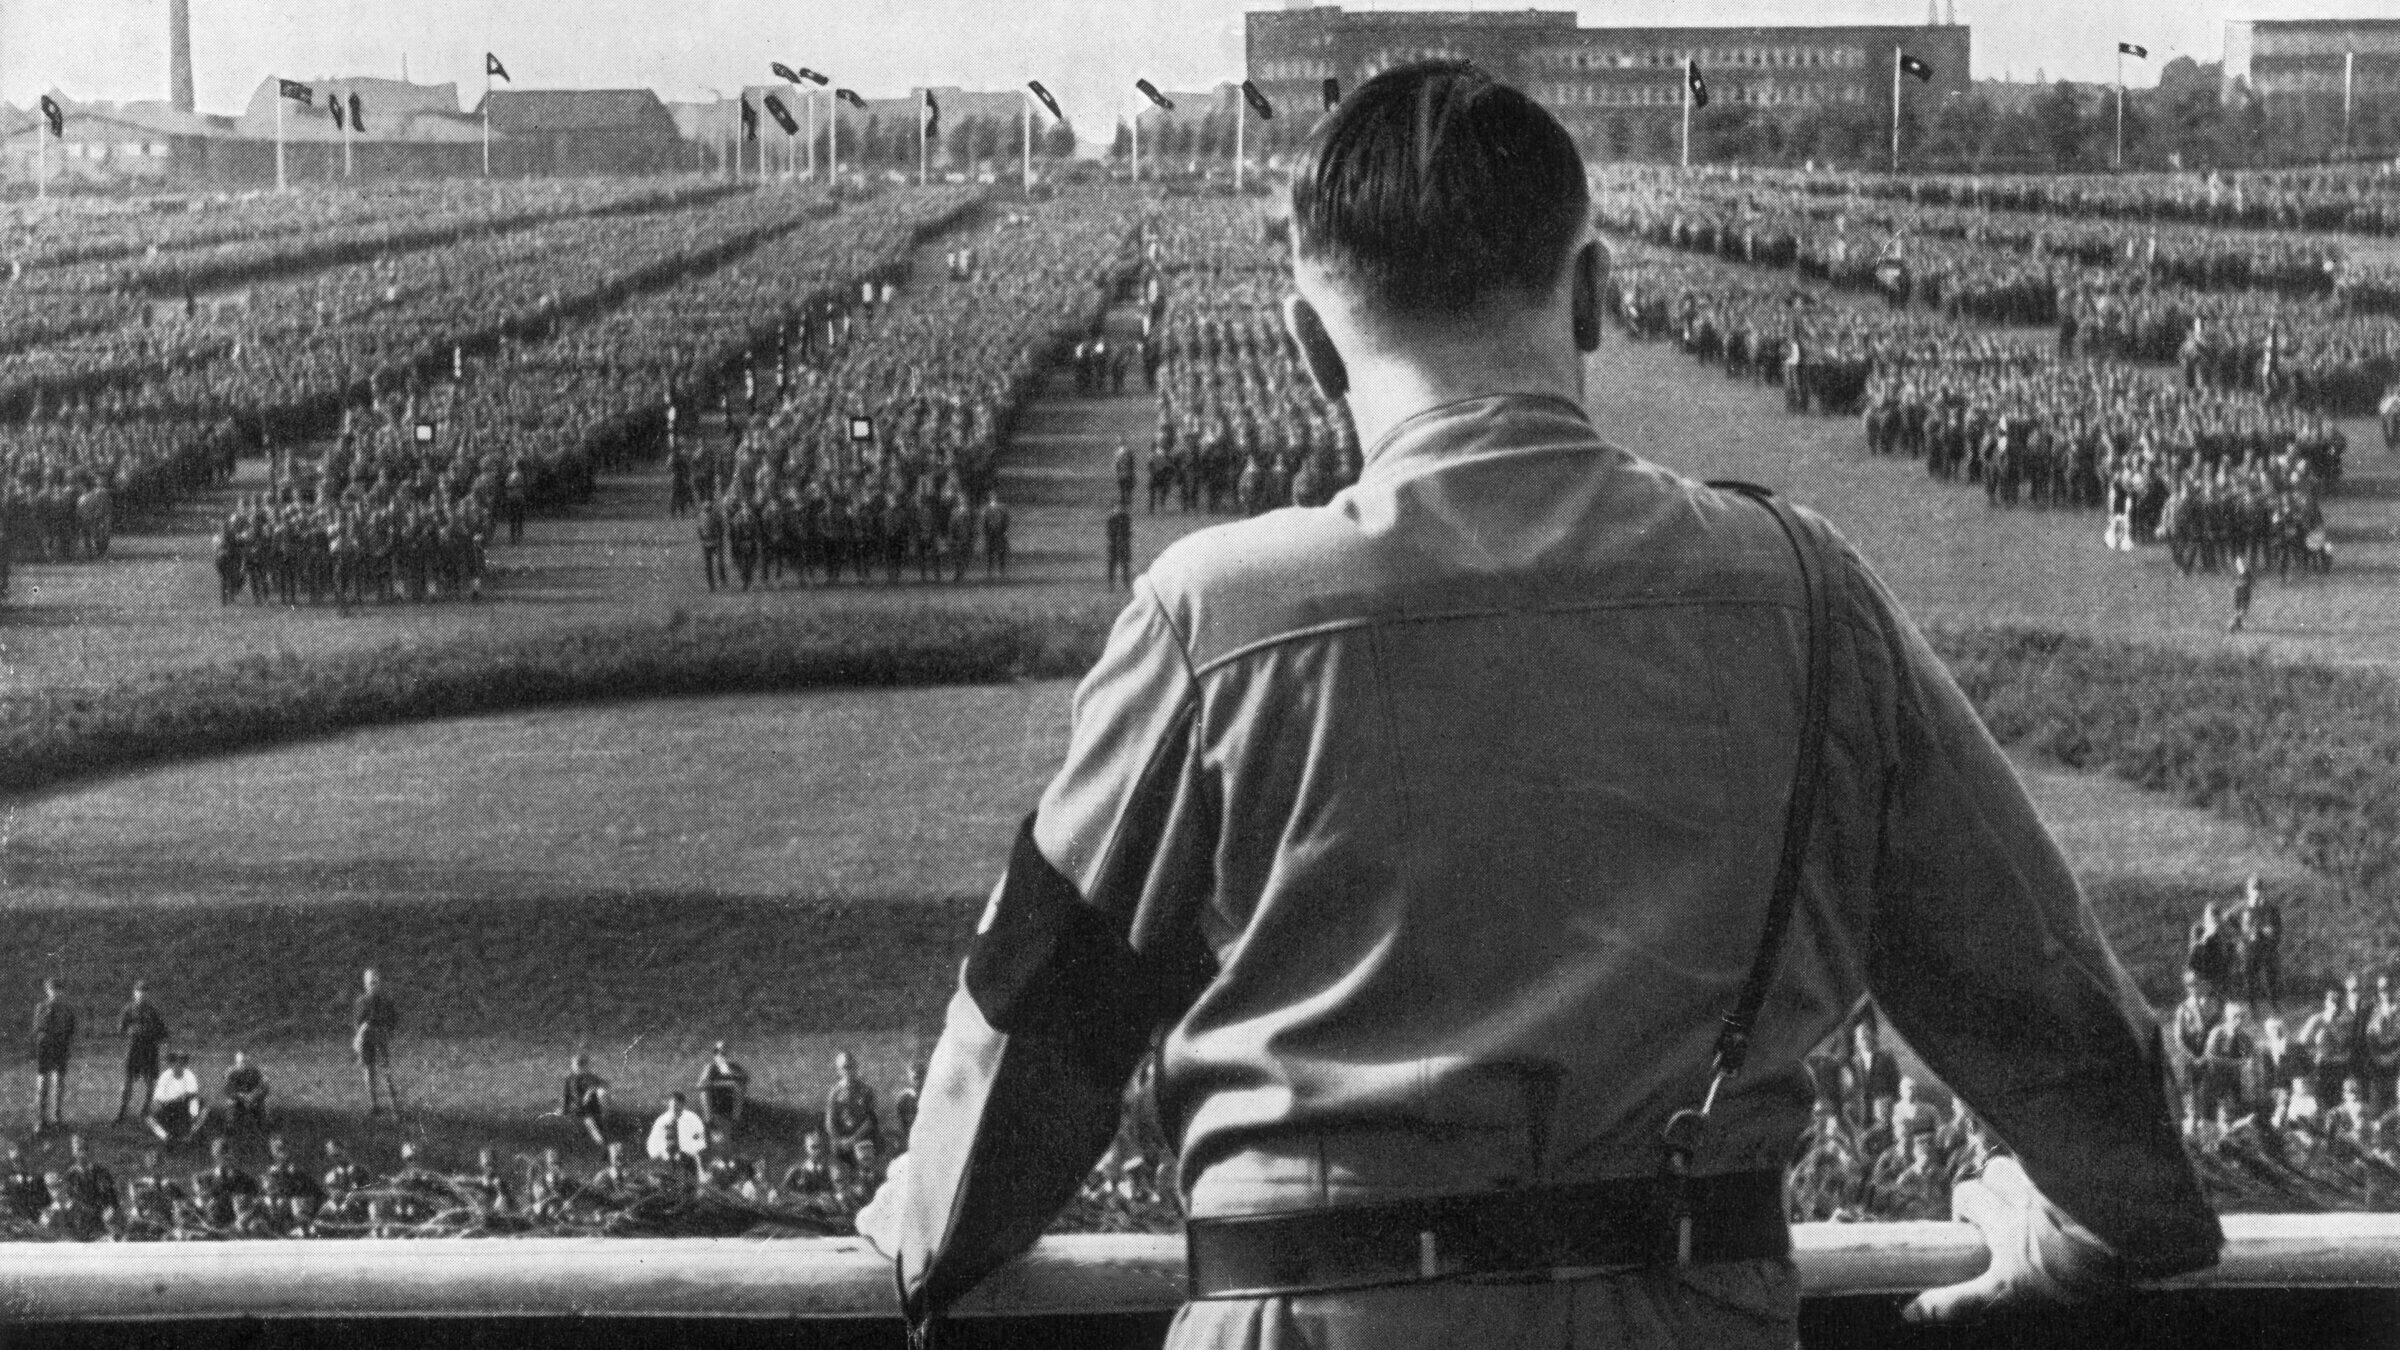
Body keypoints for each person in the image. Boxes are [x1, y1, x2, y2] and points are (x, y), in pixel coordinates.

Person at [857, 63, 2219, 1350]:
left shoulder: (1214, 615)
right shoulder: (1807, 591)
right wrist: (2108, 1216)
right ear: (1592, 294)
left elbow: (1038, 1018)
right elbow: (2043, 991)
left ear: (1310, 348)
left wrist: (930, 1227)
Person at [115, 982, 169, 1124]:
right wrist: (133, 1031)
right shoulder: (129, 1009)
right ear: (134, 993)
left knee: (150, 1081)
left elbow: (163, 1032)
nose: (142, 994)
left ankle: (145, 1109)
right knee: (128, 1080)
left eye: (145, 991)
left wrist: (155, 1034)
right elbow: (121, 1028)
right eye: (139, 991)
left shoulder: (152, 1011)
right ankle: (123, 1109)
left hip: (149, 1049)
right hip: (133, 1048)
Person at [353, 968, 400, 1116]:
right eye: (370, 983)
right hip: (367, 1040)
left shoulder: (386, 1001)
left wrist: (386, 1031)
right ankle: (374, 1105)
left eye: (375, 982)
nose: (373, 985)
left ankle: (394, 1105)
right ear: (365, 984)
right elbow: (358, 1022)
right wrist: (360, 1036)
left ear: (379, 983)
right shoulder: (362, 1002)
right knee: (369, 1071)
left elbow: (392, 1020)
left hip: (380, 1038)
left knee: (386, 1071)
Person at [31, 977, 76, 1132]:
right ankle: (41, 1119)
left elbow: (71, 1028)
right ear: (47, 991)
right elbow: (37, 1028)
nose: (55, 993)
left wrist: (66, 1045)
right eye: (52, 990)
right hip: (45, 1047)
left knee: (59, 1082)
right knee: (43, 1083)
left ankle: (57, 1117)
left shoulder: (67, 1009)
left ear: (62, 991)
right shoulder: (42, 1007)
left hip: (60, 1047)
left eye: (58, 989)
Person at [825, 1051, 881, 1164]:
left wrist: (853, 1140)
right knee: (836, 1157)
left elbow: (871, 1120)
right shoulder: (835, 1093)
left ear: (856, 1067)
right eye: (845, 1067)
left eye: (851, 1066)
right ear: (839, 1070)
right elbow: (830, 1122)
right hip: (842, 1140)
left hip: (862, 1137)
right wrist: (839, 1140)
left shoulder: (865, 1090)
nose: (849, 1070)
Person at [2237, 876, 2284, 1008]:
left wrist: (2272, 936)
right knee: (2250, 981)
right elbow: (2229, 920)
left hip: (2267, 949)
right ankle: (2252, 1009)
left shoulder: (2271, 908)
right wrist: (2241, 937)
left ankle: (2274, 1007)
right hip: (2249, 949)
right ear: (2248, 890)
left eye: (2259, 889)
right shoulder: (2243, 907)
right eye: (2253, 889)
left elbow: (2278, 929)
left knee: (2271, 980)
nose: (2256, 892)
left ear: (2263, 891)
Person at [147, 1051, 207, 1143]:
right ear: (171, 1063)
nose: (178, 1065)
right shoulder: (165, 1076)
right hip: (168, 1107)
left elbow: (193, 1097)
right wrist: (161, 1105)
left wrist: (193, 1115)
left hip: (184, 1108)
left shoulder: (189, 1076)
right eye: (175, 1061)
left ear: (184, 1064)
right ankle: (166, 1138)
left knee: (205, 1109)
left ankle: (189, 1135)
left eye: (181, 1062)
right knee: (149, 1118)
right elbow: (158, 1098)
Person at [696, 1042, 751, 1129]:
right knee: (704, 1092)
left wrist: (735, 1074)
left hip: (731, 1099)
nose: (722, 1055)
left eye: (725, 1052)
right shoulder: (711, 1067)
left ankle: (735, 1122)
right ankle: (709, 1122)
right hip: (715, 1099)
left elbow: (746, 1079)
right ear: (715, 1054)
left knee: (739, 1088)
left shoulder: (734, 1066)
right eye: (719, 1052)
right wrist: (725, 1084)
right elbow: (700, 1085)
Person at [561, 1053, 611, 1146]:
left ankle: (603, 1143)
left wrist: (590, 1091)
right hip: (578, 1108)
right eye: (576, 1065)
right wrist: (565, 1110)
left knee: (593, 1122)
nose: (577, 1068)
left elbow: (604, 1085)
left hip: (591, 1107)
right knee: (590, 1123)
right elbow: (566, 1096)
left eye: (580, 1066)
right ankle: (603, 1144)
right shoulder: (570, 1079)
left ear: (584, 1066)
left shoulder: (590, 1077)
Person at [646, 1091, 708, 1166]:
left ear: (683, 1105)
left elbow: (701, 1140)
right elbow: (653, 1141)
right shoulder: (662, 1121)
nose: (674, 1109)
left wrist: (688, 1153)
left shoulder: (693, 1119)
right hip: (666, 1161)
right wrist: (660, 1155)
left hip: (688, 1160)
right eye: (671, 1106)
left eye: (677, 1106)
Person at [222, 1051, 270, 1131]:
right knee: (229, 1103)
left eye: (242, 1062)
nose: (240, 1065)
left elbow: (265, 1085)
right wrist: (240, 1096)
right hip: (238, 1099)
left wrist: (253, 1095)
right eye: (238, 1063)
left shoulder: (254, 1072)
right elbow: (228, 1089)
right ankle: (229, 1129)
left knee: (267, 1102)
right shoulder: (230, 1073)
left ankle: (267, 1128)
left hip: (254, 1097)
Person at [1104, 504, 1133, 590]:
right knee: (1114, 566)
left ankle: (1125, 584)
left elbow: (1128, 532)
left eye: (1119, 508)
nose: (1118, 510)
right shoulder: (1112, 519)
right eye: (1116, 508)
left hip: (1120, 545)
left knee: (1124, 566)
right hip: (1116, 546)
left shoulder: (1125, 519)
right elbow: (1109, 533)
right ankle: (1112, 585)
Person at [2229, 553, 2254, 632]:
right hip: (2245, 588)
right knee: (2244, 608)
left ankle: (2238, 624)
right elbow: (2248, 575)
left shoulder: (2236, 563)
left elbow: (2233, 577)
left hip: (2237, 588)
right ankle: (2233, 622)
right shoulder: (2244, 563)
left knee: (2238, 607)